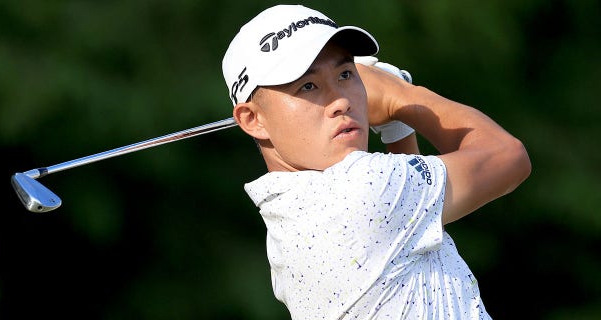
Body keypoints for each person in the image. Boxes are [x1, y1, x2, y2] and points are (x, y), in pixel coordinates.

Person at [221, 4, 531, 319]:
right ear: (252, 119)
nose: (341, 101)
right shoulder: (361, 191)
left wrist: (397, 128)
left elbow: (419, 225)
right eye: (309, 86)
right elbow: (508, 157)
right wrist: (402, 96)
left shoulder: (287, 219)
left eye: (345, 74)